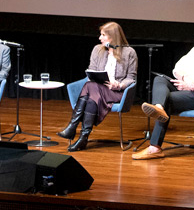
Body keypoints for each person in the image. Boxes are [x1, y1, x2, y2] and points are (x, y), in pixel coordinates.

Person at [132, 24, 194, 160]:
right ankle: (159, 108)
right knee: (160, 79)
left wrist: (191, 87)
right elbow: (177, 68)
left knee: (168, 98)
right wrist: (186, 80)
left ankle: (154, 147)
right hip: (187, 85)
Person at [55, 22, 138, 152]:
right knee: (91, 89)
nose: (100, 38)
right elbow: (92, 70)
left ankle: (73, 127)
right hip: (97, 89)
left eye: (103, 35)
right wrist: (93, 76)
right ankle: (83, 137)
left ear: (113, 36)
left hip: (116, 92)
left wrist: (120, 84)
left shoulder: (129, 52)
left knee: (90, 88)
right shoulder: (97, 49)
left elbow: (131, 77)